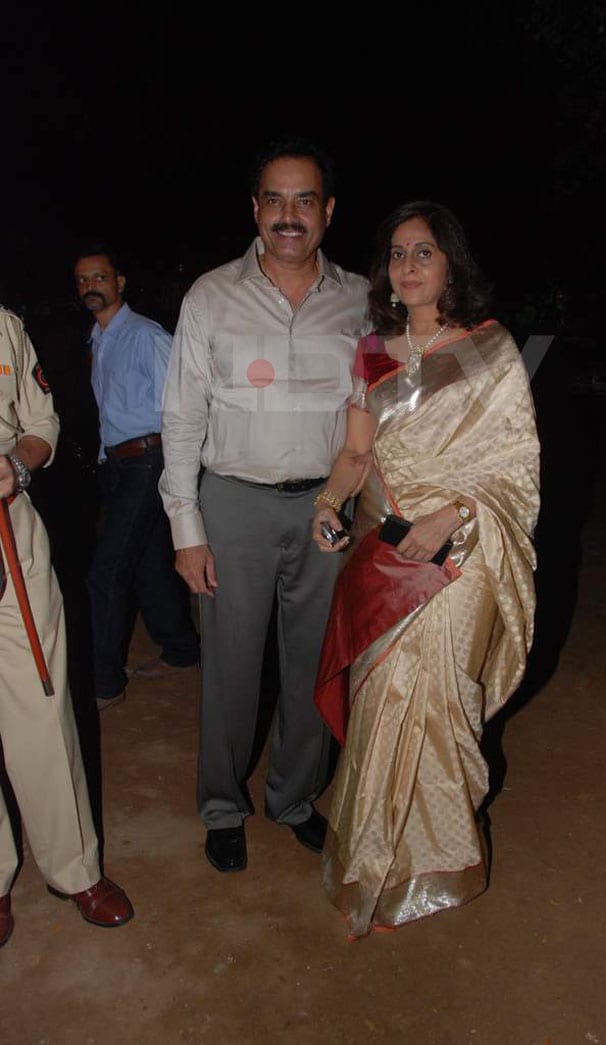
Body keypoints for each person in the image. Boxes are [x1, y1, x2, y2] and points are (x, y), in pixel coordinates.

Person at [310, 201, 541, 940]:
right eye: (397, 253)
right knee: (382, 709)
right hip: (383, 556)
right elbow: (355, 454)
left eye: (424, 253)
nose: (407, 266)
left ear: (451, 265)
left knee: (439, 709)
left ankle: (434, 866)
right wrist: (328, 501)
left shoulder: (490, 350)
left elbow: (516, 468)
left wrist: (457, 514)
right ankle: (373, 864)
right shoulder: (371, 352)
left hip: (462, 558)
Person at [159, 136, 370, 873]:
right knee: (231, 666)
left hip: (326, 505)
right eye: (275, 200)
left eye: (304, 200)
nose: (289, 215)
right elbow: (182, 416)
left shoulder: (360, 299)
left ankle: (294, 797)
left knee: (316, 660)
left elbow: (371, 410)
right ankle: (222, 804)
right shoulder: (210, 296)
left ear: (328, 211)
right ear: (255, 209)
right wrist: (187, 528)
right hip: (234, 504)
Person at [0, 304, 133, 948]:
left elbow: (41, 422)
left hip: (10, 538)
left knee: (44, 704)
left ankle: (73, 867)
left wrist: (19, 466)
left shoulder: (5, 326)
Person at [74, 247, 200, 712]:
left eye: (100, 277)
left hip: (150, 459)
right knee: (146, 561)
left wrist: (180, 471)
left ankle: (103, 683)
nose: (91, 286)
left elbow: (183, 401)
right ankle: (182, 650)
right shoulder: (97, 338)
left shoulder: (146, 335)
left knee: (106, 572)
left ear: (120, 282)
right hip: (119, 463)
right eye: (84, 279)